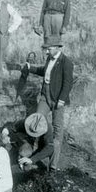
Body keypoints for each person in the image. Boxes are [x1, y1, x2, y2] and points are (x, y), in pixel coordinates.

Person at [25, 36, 73, 170]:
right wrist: (31, 68)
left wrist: (62, 100)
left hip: (58, 100)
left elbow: (68, 83)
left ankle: (53, 165)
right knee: (37, 122)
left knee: (57, 131)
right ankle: (35, 156)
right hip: (45, 97)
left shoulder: (66, 63)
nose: (46, 52)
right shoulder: (49, 59)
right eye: (46, 49)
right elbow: (44, 72)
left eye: (49, 49)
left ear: (57, 48)